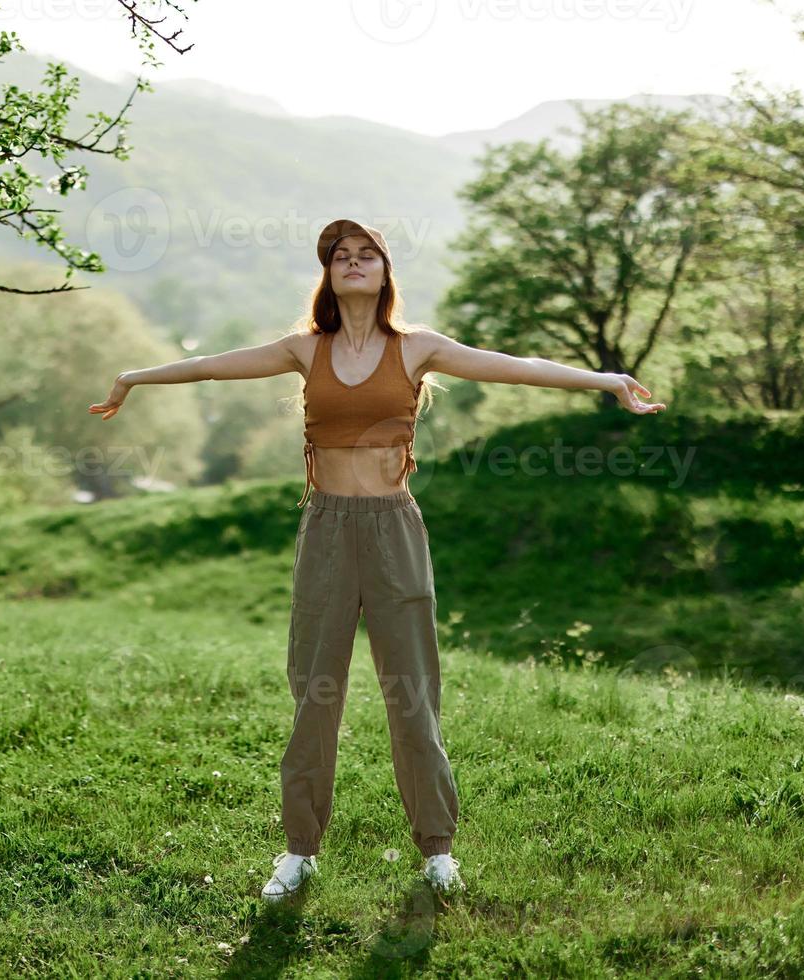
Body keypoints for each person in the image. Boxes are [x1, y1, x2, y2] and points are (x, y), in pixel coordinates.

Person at [88, 218, 666, 904]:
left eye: (366, 255)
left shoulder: (417, 348)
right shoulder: (305, 349)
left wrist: (606, 380)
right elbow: (213, 363)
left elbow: (516, 367)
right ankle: (298, 850)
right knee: (313, 696)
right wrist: (133, 377)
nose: (353, 263)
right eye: (341, 257)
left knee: (412, 693)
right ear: (328, 275)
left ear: (386, 272)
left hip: (393, 529)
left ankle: (438, 851)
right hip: (326, 529)